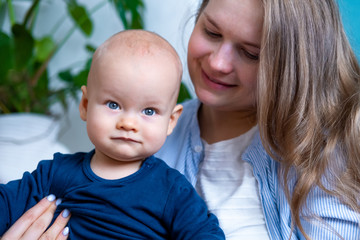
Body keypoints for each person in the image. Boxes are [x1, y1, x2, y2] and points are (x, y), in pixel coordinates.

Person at [2, 0, 360, 239]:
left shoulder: (324, 150)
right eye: (212, 32)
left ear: (291, 65)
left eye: (251, 53)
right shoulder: (148, 143)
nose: (218, 62)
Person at [0, 29, 225, 240]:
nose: (128, 123)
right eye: (113, 104)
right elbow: (6, 205)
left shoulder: (172, 190)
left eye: (149, 111)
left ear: (171, 121)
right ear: (86, 105)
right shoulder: (55, 173)